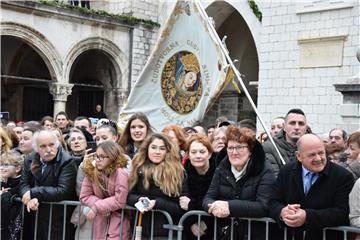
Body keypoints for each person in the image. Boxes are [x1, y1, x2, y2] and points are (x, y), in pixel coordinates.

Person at [269, 134, 354, 240]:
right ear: (298, 156)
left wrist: (307, 217)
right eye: (312, 155)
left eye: (321, 153)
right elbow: (273, 201)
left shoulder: (342, 176)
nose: (318, 158)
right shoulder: (286, 171)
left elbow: (343, 212)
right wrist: (282, 212)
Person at [203, 126, 275, 239]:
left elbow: (263, 206)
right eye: (230, 148)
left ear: (250, 150)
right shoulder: (222, 167)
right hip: (227, 234)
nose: (234, 152)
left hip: (255, 234)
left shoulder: (265, 170)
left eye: (240, 147)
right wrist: (214, 208)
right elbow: (208, 198)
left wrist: (229, 206)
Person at [19, 130, 77, 240]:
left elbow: (63, 190)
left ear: (57, 144)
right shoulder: (30, 159)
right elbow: (23, 184)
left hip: (58, 218)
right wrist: (29, 197)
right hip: (35, 216)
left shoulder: (67, 161)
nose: (49, 149)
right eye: (43, 146)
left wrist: (33, 193)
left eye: (51, 145)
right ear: (36, 148)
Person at [127, 133, 185, 239]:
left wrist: (157, 203)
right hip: (142, 231)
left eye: (162, 148)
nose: (157, 152)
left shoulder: (178, 172)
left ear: (167, 151)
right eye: (153, 147)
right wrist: (139, 199)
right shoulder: (138, 169)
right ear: (147, 149)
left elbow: (181, 208)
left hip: (168, 233)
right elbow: (128, 196)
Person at [80, 141, 130, 240]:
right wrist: (101, 207)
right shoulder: (91, 172)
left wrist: (97, 207)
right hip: (100, 220)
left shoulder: (120, 173)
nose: (98, 160)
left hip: (118, 220)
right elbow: (84, 196)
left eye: (102, 157)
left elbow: (119, 200)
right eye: (97, 156)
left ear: (112, 157)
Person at [180, 134, 217, 239]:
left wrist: (191, 204)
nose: (198, 156)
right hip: (191, 230)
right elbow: (182, 204)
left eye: (202, 152)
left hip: (216, 229)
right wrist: (190, 224)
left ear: (209, 154)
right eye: (193, 152)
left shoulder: (219, 172)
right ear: (188, 154)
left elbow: (215, 202)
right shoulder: (184, 173)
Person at [263, 108, 308, 175]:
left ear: (306, 128)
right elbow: (273, 177)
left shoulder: (314, 147)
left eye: (301, 123)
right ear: (284, 127)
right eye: (292, 123)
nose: (297, 127)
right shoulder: (270, 147)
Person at [1, 152, 24, 240]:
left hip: (15, 229)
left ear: (17, 168)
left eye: (6, 165)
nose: (2, 168)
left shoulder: (22, 183)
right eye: (1, 164)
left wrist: (5, 195)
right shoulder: (4, 182)